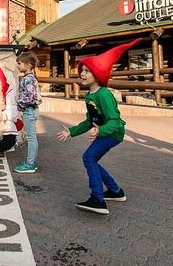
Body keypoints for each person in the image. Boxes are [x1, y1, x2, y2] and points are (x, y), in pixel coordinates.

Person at [57, 38, 141, 215]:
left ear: (98, 73)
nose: (82, 73)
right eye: (82, 70)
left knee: (88, 157)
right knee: (91, 159)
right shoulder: (90, 96)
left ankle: (97, 199)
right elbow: (90, 121)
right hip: (102, 132)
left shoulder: (103, 95)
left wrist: (100, 130)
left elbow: (116, 121)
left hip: (113, 133)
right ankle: (115, 191)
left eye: (87, 71)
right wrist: (71, 131)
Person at [14, 51, 41, 173]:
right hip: (31, 110)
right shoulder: (31, 77)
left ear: (28, 64)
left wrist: (19, 102)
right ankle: (31, 162)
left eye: (19, 63)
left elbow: (29, 97)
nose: (18, 66)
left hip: (29, 110)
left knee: (31, 137)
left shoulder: (28, 79)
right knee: (32, 137)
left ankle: (30, 164)